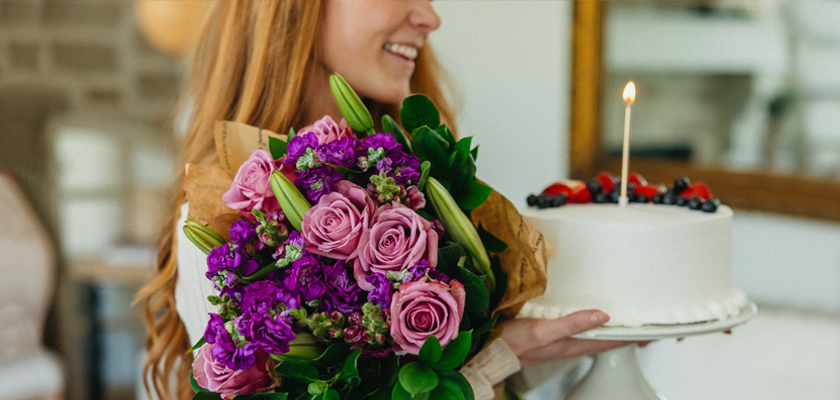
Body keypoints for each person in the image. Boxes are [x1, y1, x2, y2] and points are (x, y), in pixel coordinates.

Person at [136, 1, 631, 399]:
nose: (430, 17)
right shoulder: (219, 231)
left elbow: (497, 371)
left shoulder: (413, 182)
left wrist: (618, 322)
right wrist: (500, 358)